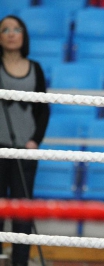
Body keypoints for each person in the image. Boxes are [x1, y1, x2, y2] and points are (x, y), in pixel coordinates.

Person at [0, 15, 50, 266]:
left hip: (25, 150)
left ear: (23, 35)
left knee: (22, 211)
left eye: (16, 29)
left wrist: (34, 141)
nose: (11, 33)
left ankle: (20, 262)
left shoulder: (36, 68)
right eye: (5, 29)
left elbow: (43, 109)